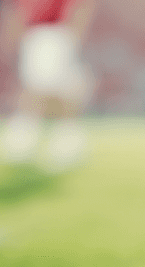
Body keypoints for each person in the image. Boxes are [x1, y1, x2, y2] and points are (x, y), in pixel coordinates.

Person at [0, 0, 96, 172]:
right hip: (34, 34)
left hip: (56, 32)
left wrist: (73, 35)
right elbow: (19, 10)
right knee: (36, 88)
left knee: (50, 90)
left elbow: (79, 7)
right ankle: (32, 138)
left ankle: (62, 141)